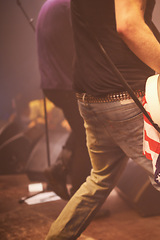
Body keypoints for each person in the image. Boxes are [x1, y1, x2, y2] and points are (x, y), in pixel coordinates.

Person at [46, 0, 160, 239]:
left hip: (89, 97)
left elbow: (107, 32)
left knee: (99, 180)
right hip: (127, 100)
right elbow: (129, 26)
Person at [36, 0, 92, 200]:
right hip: (65, 83)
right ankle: (80, 199)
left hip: (54, 83)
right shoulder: (69, 5)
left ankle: (58, 169)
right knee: (89, 139)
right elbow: (86, 42)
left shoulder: (50, 5)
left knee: (84, 129)